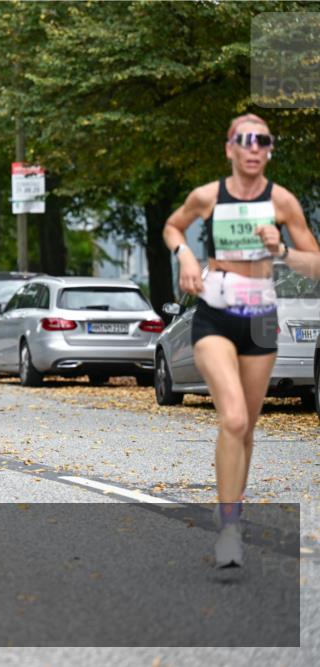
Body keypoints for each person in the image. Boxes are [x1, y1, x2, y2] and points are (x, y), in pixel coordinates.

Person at [163, 113, 320, 568]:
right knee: (232, 418)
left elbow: (315, 265)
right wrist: (187, 255)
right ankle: (229, 526)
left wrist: (283, 251)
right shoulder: (207, 196)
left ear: (269, 150)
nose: (253, 147)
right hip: (215, 312)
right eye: (244, 140)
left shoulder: (283, 202)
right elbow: (173, 226)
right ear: (229, 148)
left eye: (262, 140)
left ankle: (232, 506)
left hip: (261, 317)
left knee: (247, 425)